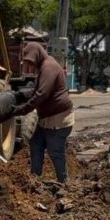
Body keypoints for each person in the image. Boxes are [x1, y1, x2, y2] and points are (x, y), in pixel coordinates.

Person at [13, 42, 74, 183]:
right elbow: (37, 90)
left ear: (37, 56)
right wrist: (21, 96)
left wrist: (22, 110)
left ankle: (64, 183)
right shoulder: (44, 67)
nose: (31, 66)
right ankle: (35, 179)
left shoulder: (49, 67)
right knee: (36, 144)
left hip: (58, 119)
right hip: (46, 119)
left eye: (31, 62)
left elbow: (41, 94)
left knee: (55, 151)